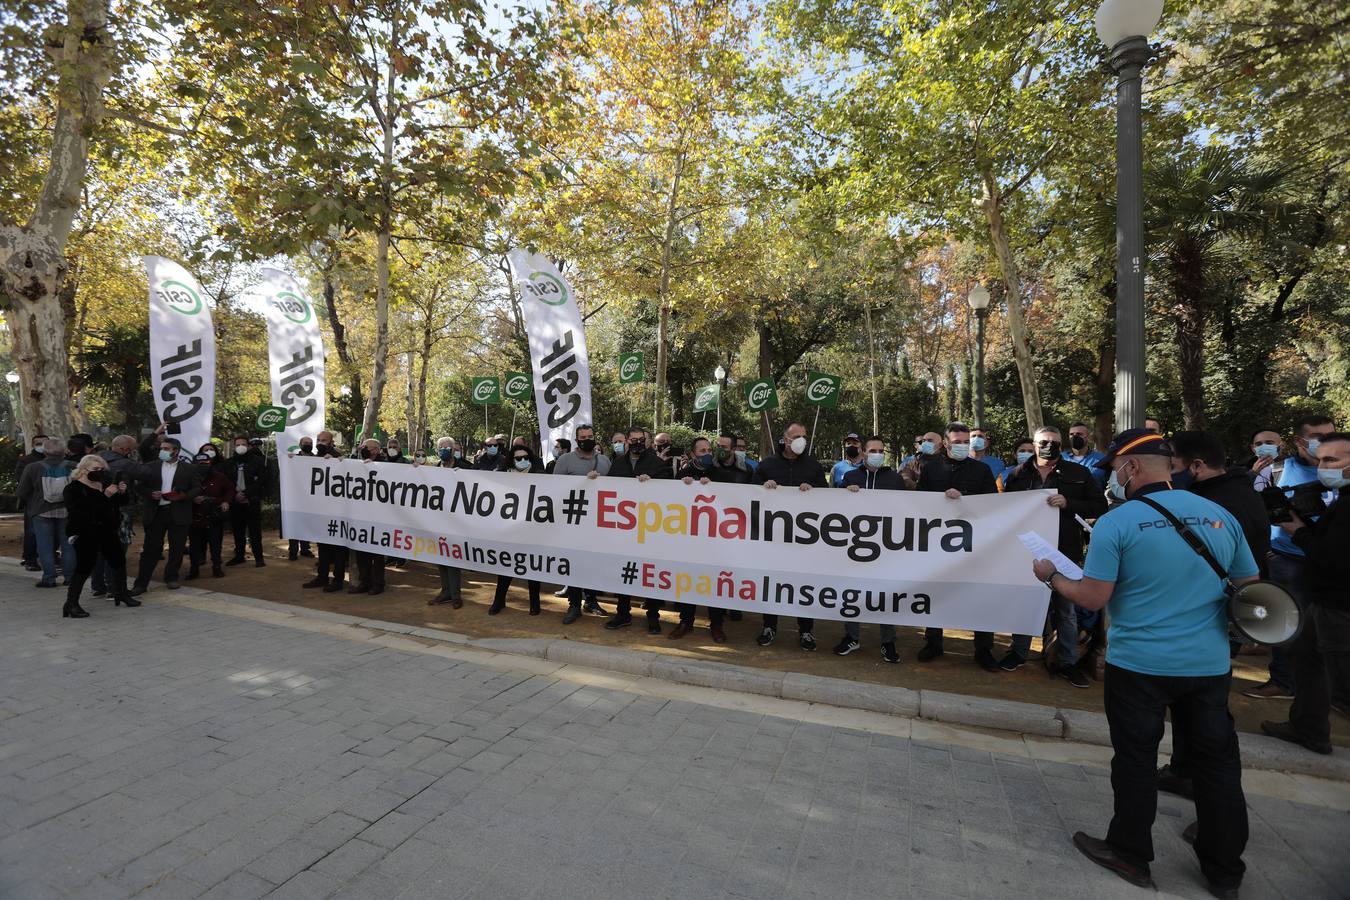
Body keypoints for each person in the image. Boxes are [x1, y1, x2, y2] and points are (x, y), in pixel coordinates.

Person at [1032, 429, 1254, 896]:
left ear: (1131, 468)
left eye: (1114, 469)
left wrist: (1051, 575)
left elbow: (1093, 594)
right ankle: (1224, 869)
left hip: (1140, 665)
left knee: (1135, 759)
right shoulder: (1220, 516)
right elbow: (1249, 585)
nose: (1113, 478)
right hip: (1208, 665)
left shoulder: (1120, 521)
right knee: (1216, 765)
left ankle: (1131, 854)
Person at [1260, 432, 1348, 756]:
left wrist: (1298, 532)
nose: (1323, 467)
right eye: (1321, 459)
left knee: (1343, 688)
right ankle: (1309, 727)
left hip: (1339, 607)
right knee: (1307, 656)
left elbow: (1332, 557)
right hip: (1324, 601)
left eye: (1332, 460)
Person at [1002, 426, 1107, 686]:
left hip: (1065, 551)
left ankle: (1067, 662)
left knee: (1066, 611)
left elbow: (1099, 505)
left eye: (1054, 442)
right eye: (1044, 442)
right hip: (1027, 552)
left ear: (1062, 444)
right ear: (1034, 444)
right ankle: (1018, 653)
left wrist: (1069, 503)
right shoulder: (1017, 474)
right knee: (1026, 605)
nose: (1049, 446)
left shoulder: (1079, 473)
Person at [1255, 414, 1336, 702]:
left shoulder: (1343, 471)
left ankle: (1331, 691)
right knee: (1283, 622)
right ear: (1300, 441)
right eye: (1319, 438)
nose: (1326, 446)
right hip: (1287, 560)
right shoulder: (1276, 470)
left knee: (1330, 628)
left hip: (1332, 565)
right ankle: (1282, 681)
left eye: (1331, 436)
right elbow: (1257, 511)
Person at [917, 422, 999, 670]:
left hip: (973, 545)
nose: (963, 446)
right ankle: (934, 642)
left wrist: (963, 497)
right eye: (957, 442)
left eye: (966, 442)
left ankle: (983, 648)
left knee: (979, 595)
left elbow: (992, 505)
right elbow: (920, 501)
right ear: (945, 443)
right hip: (937, 543)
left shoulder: (982, 470)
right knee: (936, 592)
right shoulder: (931, 469)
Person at [835, 436, 911, 662]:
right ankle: (852, 636)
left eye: (881, 450)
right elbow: (835, 508)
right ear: (864, 453)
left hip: (887, 548)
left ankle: (888, 641)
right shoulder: (850, 476)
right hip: (855, 546)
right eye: (873, 450)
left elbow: (906, 511)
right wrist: (846, 492)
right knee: (852, 591)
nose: (877, 454)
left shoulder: (895, 479)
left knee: (886, 594)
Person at [754, 422, 827, 651]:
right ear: (785, 439)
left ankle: (806, 631)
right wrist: (763, 487)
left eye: (804, 436)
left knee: (803, 585)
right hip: (773, 539)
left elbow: (828, 497)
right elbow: (748, 495)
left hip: (805, 540)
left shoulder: (814, 466)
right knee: (772, 584)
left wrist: (813, 489)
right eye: (797, 436)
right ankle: (769, 626)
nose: (801, 440)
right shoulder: (767, 465)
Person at [603, 427, 672, 633]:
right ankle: (623, 613)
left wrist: (653, 485)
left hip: (650, 528)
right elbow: (608, 489)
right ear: (627, 442)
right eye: (633, 440)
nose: (637, 443)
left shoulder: (657, 464)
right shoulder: (618, 464)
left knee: (648, 572)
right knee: (625, 572)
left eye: (641, 439)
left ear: (647, 441)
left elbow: (671, 491)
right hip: (624, 529)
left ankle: (653, 615)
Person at [669, 437, 728, 642]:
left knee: (714, 581)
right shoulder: (683, 474)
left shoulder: (720, 473)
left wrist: (715, 488)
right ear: (693, 454)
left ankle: (717, 624)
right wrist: (683, 486)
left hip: (715, 537)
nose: (707, 453)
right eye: (702, 450)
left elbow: (731, 500)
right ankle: (686, 621)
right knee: (688, 580)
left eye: (709, 449)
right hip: (689, 537)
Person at [61, 454, 135, 617]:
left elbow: (119, 504)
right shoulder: (73, 489)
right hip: (84, 531)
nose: (99, 473)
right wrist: (106, 496)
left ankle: (121, 593)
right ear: (82, 470)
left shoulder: (104, 484)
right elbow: (81, 511)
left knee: (118, 561)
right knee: (85, 566)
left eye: (102, 469)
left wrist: (122, 493)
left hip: (107, 530)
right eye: (95, 469)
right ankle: (71, 604)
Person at [550, 424, 608, 622]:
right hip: (572, 521)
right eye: (583, 437)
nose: (587, 439)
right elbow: (554, 489)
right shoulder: (565, 460)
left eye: (590, 436)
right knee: (573, 563)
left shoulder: (605, 461)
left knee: (592, 562)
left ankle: (591, 600)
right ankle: (574, 604)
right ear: (576, 439)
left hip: (598, 522)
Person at [131, 436, 202, 593]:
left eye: (166, 449)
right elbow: (139, 486)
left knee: (177, 548)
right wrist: (150, 493)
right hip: (156, 513)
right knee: (151, 549)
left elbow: (197, 488)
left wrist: (183, 496)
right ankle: (141, 583)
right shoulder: (151, 466)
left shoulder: (189, 468)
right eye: (161, 448)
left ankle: (171, 577)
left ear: (176, 451)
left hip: (179, 512)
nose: (162, 451)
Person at [489, 445, 545, 615]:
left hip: (533, 528)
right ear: (512, 460)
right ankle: (499, 600)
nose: (522, 461)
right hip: (510, 529)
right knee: (506, 564)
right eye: (518, 458)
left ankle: (535, 603)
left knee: (532, 566)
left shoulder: (540, 475)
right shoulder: (502, 474)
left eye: (525, 457)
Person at [17, 437, 77, 588]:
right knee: (68, 545)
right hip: (67, 511)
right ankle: (70, 577)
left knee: (44, 546)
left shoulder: (33, 467)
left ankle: (49, 578)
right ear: (64, 450)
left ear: (45, 450)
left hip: (41, 511)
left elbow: (22, 491)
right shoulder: (73, 466)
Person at [89, 435, 141, 600]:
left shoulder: (94, 462)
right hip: (119, 513)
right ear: (125, 449)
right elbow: (147, 472)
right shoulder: (124, 465)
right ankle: (114, 588)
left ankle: (98, 587)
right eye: (131, 449)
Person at [303, 432, 349, 593]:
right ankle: (322, 576)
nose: (320, 443)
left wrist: (337, 460)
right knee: (323, 546)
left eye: (324, 441)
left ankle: (338, 580)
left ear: (331, 442)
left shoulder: (339, 457)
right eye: (318, 440)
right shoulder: (315, 457)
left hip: (338, 512)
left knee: (338, 549)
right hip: (321, 511)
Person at [427, 436, 465, 608]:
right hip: (438, 520)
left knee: (453, 557)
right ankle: (445, 591)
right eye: (441, 447)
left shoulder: (465, 467)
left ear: (454, 449)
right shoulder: (433, 470)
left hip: (457, 521)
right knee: (440, 556)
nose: (444, 449)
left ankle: (456, 595)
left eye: (447, 447)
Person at [187, 451, 234, 579]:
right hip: (195, 516)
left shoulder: (219, 476)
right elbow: (180, 491)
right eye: (199, 463)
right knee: (194, 545)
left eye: (206, 463)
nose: (203, 465)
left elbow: (230, 489)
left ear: (211, 463)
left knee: (215, 544)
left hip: (214, 515)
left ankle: (217, 568)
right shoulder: (187, 476)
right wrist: (192, 498)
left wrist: (226, 501)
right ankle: (194, 569)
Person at [226, 435, 268, 567]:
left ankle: (259, 558)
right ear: (234, 446)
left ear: (249, 446)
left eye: (243, 444)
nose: (240, 447)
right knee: (238, 530)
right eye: (237, 445)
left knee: (255, 531)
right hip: (235, 501)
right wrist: (234, 494)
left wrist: (246, 493)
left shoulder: (257, 461)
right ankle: (239, 556)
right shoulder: (229, 462)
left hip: (252, 500)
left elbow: (261, 480)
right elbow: (226, 482)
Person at [16, 433, 47, 571]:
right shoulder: (26, 461)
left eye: (44, 443)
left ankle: (48, 556)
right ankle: (30, 559)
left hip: (53, 502)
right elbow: (21, 481)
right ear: (33, 445)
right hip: (33, 501)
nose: (42, 446)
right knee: (31, 531)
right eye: (38, 443)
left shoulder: (55, 460)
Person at [287, 437, 315, 561]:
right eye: (305, 443)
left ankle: (305, 549)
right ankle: (292, 550)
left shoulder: (318, 459)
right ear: (300, 445)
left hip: (311, 498)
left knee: (306, 523)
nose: (308, 445)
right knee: (294, 523)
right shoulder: (293, 459)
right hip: (295, 497)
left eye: (310, 443)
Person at [1065, 422, 1107, 488]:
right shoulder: (1061, 458)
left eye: (1079, 434)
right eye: (1071, 434)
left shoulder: (1101, 459)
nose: (1075, 436)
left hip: (1095, 497)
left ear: (1087, 437)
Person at [1247, 428, 1285, 492]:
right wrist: (1253, 473)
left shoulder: (1295, 465)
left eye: (1269, 443)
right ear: (1253, 448)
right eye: (1258, 444)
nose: (1264, 446)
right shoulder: (1244, 470)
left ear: (1282, 445)